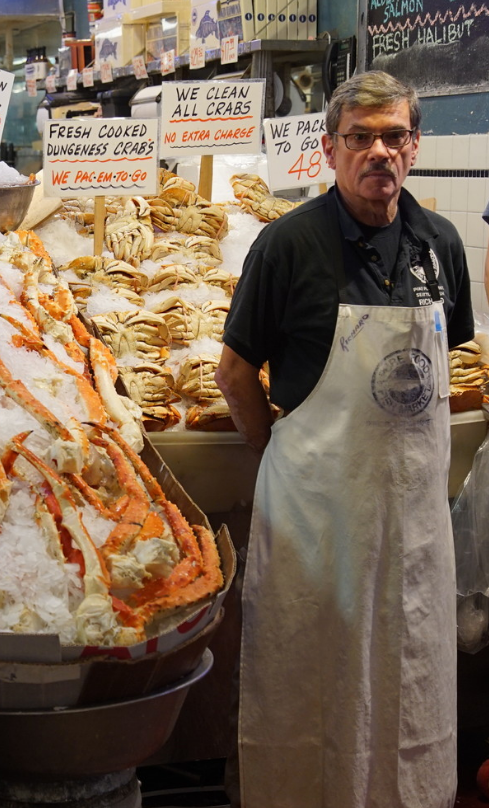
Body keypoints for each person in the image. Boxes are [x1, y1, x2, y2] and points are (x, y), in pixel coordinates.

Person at [216, 70, 473, 808]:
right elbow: (235, 373)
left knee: (409, 674)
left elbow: (442, 363)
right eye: (360, 138)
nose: (379, 152)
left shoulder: (440, 243)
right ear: (330, 150)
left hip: (410, 524)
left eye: (394, 136)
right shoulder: (286, 245)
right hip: (316, 521)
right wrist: (283, 459)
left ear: (415, 148)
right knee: (310, 682)